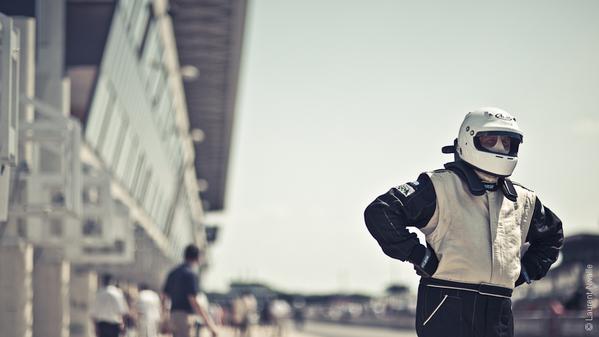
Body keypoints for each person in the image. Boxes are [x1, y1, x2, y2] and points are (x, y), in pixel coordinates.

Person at [364, 108, 564, 337]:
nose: (500, 147)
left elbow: (553, 235)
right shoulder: (438, 186)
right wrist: (420, 257)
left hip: (499, 310)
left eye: (507, 142)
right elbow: (381, 212)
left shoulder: (523, 200)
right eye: (490, 140)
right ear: (470, 140)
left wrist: (525, 271)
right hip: (446, 304)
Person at [162, 244, 218, 337]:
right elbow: (194, 301)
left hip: (173, 316)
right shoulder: (191, 274)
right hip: (184, 317)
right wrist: (210, 325)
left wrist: (165, 318)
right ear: (197, 257)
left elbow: (164, 297)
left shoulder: (173, 273)